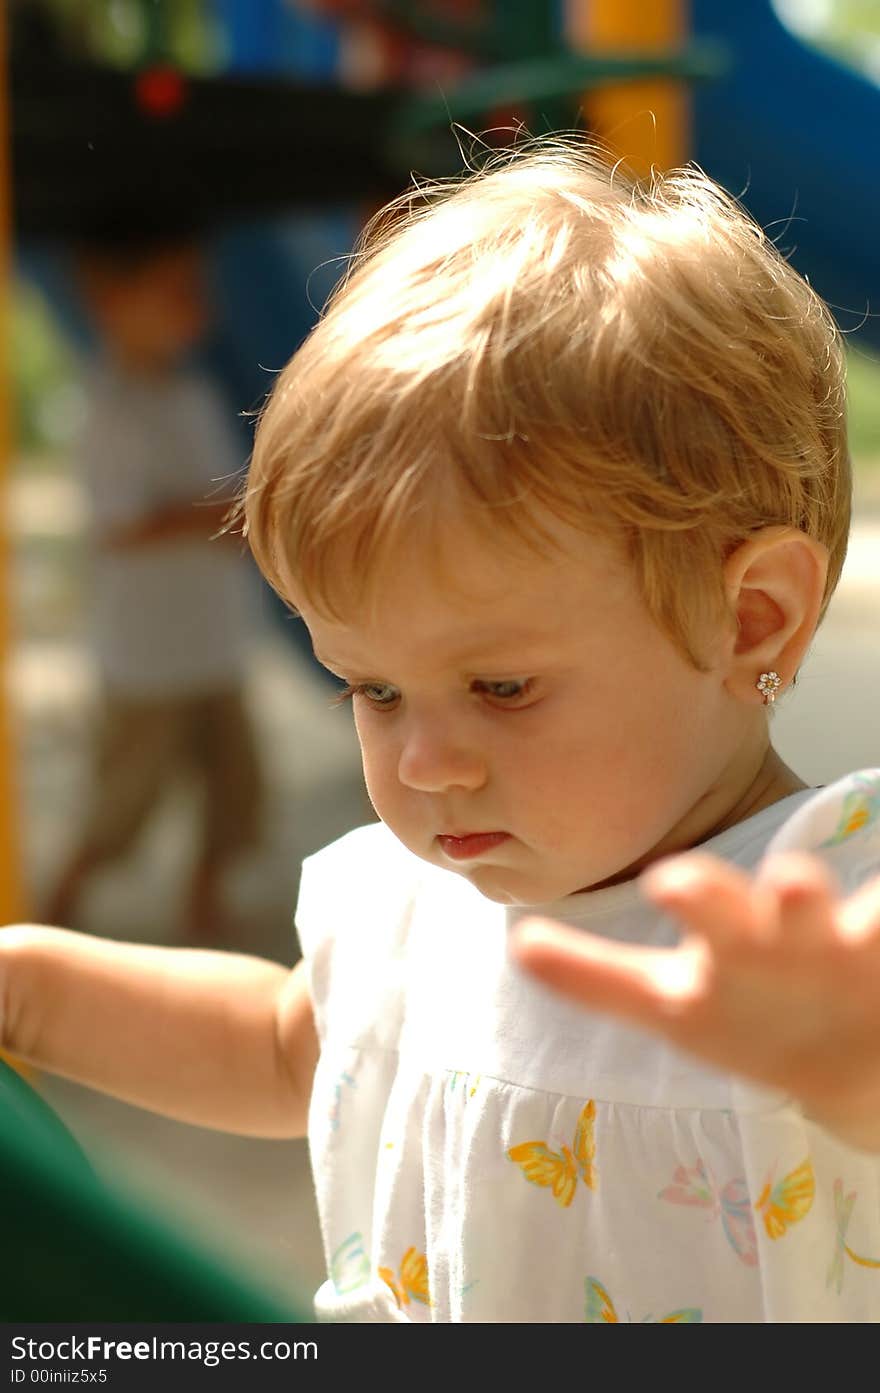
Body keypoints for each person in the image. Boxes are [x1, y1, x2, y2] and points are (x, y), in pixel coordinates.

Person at [3, 140, 879, 1322]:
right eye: (371, 690)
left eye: (503, 688)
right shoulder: (416, 910)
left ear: (751, 620)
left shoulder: (824, 903)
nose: (424, 765)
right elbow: (281, 1046)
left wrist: (848, 1069)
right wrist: (31, 989)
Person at [42, 232, 263, 940]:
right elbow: (120, 524)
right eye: (173, 290)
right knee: (125, 796)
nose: (193, 306)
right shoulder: (102, 405)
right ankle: (55, 907)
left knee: (234, 786)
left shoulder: (193, 389)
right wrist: (225, 515)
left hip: (212, 636)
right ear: (109, 301)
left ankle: (204, 908)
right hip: (146, 650)